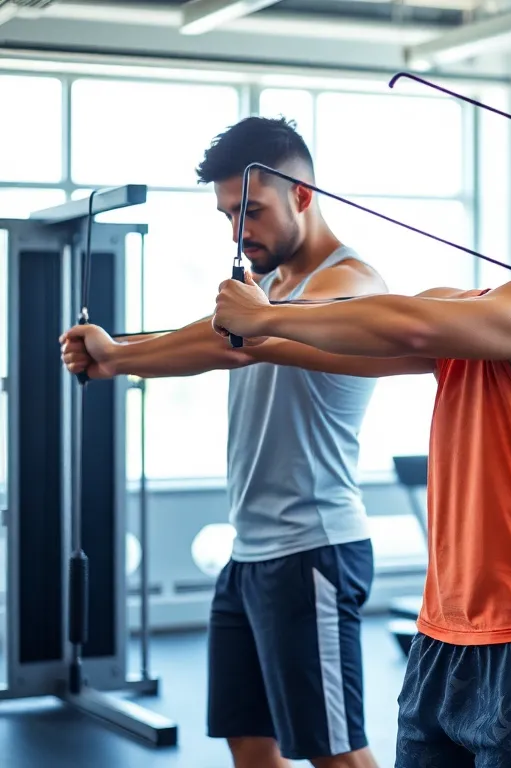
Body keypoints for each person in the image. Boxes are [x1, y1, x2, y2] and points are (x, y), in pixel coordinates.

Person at [59, 116, 388, 768]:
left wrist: (118, 356)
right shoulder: (269, 288)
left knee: (337, 756)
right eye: (228, 215)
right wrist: (114, 353)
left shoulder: (348, 284)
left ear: (302, 195)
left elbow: (241, 343)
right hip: (250, 554)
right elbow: (218, 334)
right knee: (249, 743)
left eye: (252, 211)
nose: (239, 231)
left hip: (313, 549)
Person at [210, 265, 511, 767]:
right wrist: (251, 330)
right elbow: (333, 338)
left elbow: (410, 325)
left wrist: (266, 316)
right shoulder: (462, 320)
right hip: (441, 639)